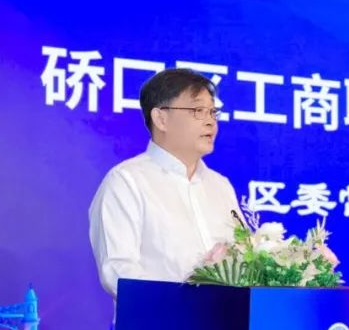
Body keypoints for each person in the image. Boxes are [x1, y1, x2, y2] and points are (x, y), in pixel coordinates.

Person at [88, 68, 241, 297]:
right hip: (162, 319)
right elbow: (119, 273)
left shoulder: (221, 186)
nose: (211, 122)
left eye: (212, 112)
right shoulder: (126, 182)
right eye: (198, 111)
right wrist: (185, 300)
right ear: (161, 119)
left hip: (225, 318)